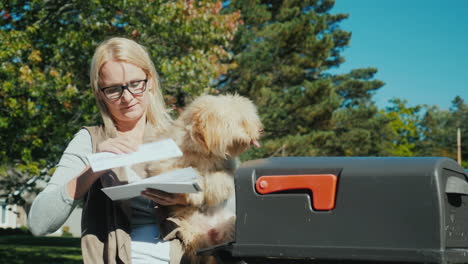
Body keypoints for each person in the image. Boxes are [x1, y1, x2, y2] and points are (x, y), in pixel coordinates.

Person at [28, 37, 188, 264]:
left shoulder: (179, 138)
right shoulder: (90, 140)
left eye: (135, 84)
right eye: (114, 89)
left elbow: (227, 212)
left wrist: (187, 200)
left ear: (150, 80)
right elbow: (39, 223)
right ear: (100, 93)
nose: (127, 97)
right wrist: (92, 168)